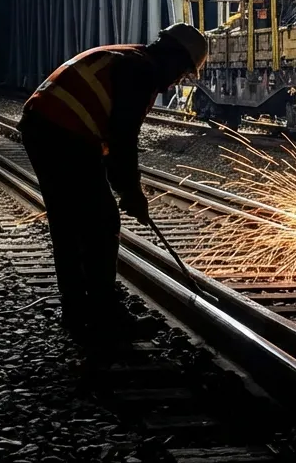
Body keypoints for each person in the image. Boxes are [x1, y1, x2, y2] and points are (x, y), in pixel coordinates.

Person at [18, 24, 208, 348]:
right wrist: (131, 193)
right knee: (102, 222)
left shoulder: (131, 59)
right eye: (182, 73)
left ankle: (77, 311)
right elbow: (123, 139)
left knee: (67, 223)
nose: (178, 81)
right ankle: (105, 317)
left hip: (45, 126)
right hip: (63, 132)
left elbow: (110, 140)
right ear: (173, 57)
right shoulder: (141, 70)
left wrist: (123, 184)